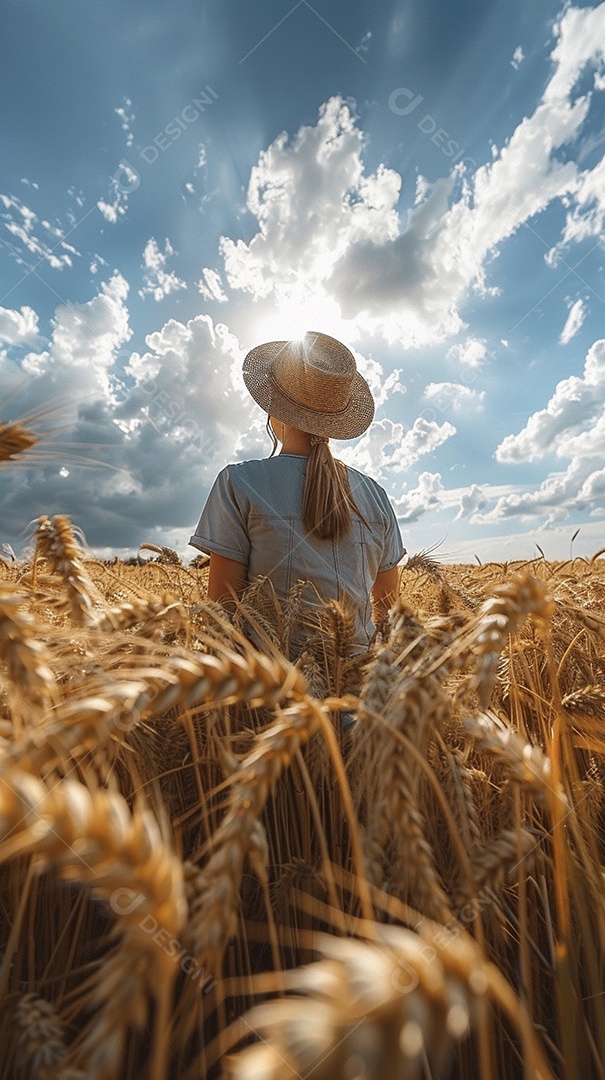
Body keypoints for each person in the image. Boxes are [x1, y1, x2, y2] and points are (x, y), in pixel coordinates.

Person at [189, 331, 405, 657]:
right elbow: (389, 618)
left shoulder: (238, 482)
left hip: (268, 698)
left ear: (274, 410)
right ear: (336, 419)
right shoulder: (375, 496)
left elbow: (223, 621)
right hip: (361, 697)